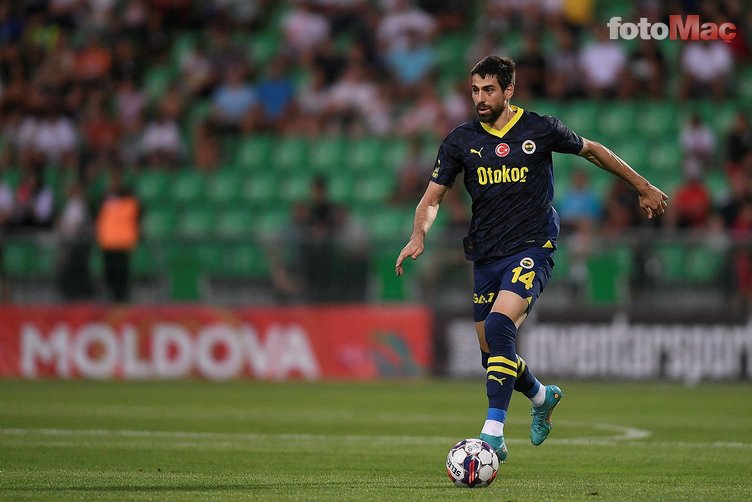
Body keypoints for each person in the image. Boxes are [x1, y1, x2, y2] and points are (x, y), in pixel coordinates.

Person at [394, 56, 668, 463]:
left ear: (508, 91)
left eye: (488, 90)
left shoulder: (540, 128)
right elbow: (433, 198)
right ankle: (542, 396)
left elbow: (593, 151)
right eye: (474, 90)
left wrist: (642, 186)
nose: (480, 98)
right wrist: (418, 234)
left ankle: (493, 435)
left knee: (502, 324)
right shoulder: (459, 140)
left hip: (532, 247)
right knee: (492, 356)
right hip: (486, 254)